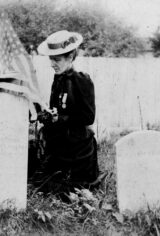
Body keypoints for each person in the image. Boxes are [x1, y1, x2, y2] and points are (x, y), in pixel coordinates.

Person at [35, 30, 101, 193]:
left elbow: (88, 117)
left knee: (59, 188)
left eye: (56, 59)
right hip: (60, 145)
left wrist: (61, 119)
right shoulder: (58, 78)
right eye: (51, 59)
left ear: (70, 57)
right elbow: (56, 109)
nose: (52, 64)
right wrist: (45, 114)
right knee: (37, 179)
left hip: (78, 151)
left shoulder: (82, 80)